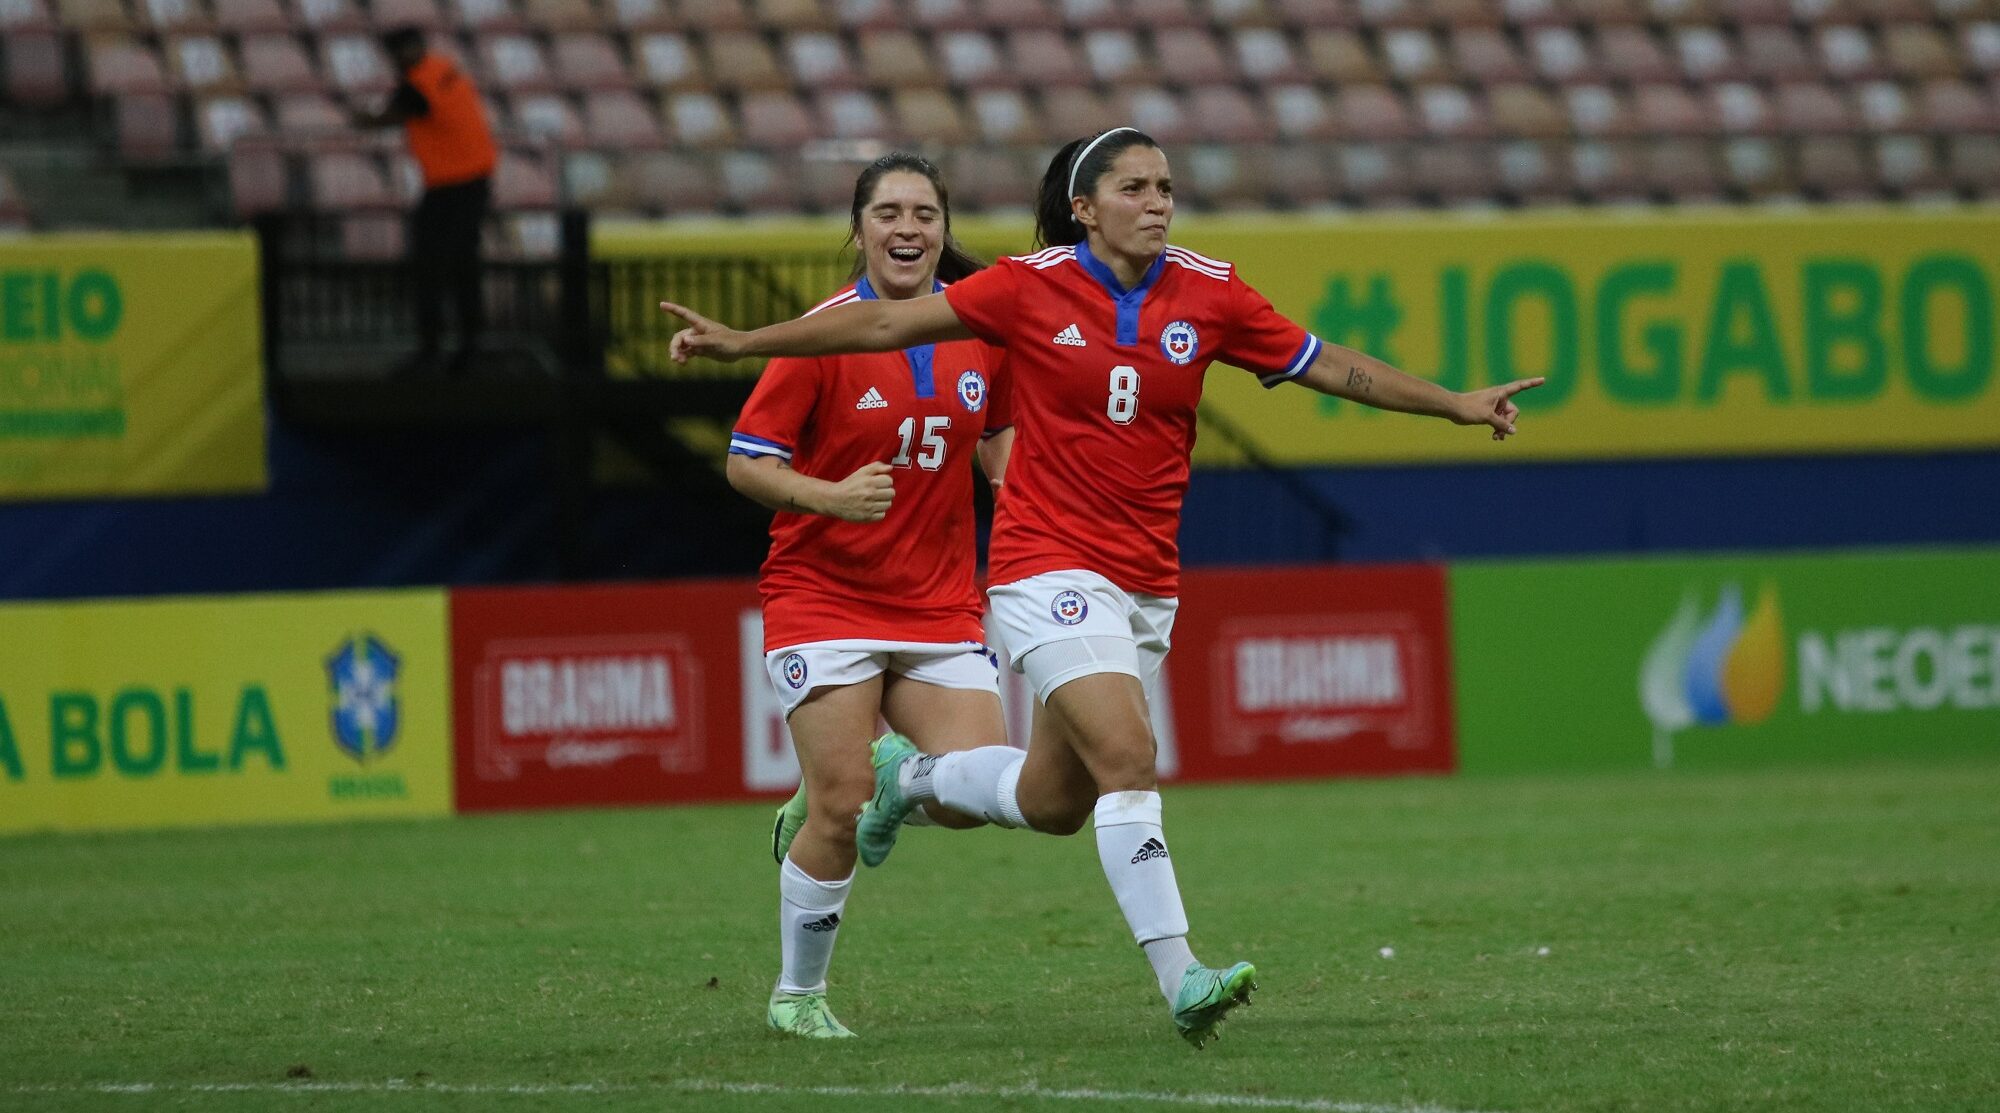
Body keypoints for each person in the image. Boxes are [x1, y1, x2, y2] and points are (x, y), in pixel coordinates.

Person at [661, 128, 1543, 1049]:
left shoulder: (1209, 292)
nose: (1159, 201)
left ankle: (907, 777)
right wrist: (745, 345)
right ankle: (1181, 975)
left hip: (1132, 580)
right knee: (1127, 753)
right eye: (1135, 186)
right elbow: (878, 325)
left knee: (1054, 801)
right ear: (1085, 208)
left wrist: (1451, 401)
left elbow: (1322, 360)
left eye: (1166, 185)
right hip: (1031, 568)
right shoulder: (1029, 284)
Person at [725, 153, 1016, 1040]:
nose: (908, 228)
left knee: (975, 795)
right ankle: (797, 994)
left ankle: (869, 783)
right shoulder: (825, 336)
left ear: (943, 230)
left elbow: (997, 444)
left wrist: (1046, 497)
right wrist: (828, 495)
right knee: (841, 805)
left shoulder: (979, 331)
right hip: (825, 595)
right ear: (858, 232)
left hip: (937, 606)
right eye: (888, 211)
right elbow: (746, 461)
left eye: (925, 212)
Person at [350, 26, 496, 376]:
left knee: (433, 266)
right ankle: (467, 348)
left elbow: (386, 118)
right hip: (472, 180)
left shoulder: (417, 84)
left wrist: (361, 117)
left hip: (452, 186)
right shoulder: (443, 67)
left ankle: (435, 350)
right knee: (463, 265)